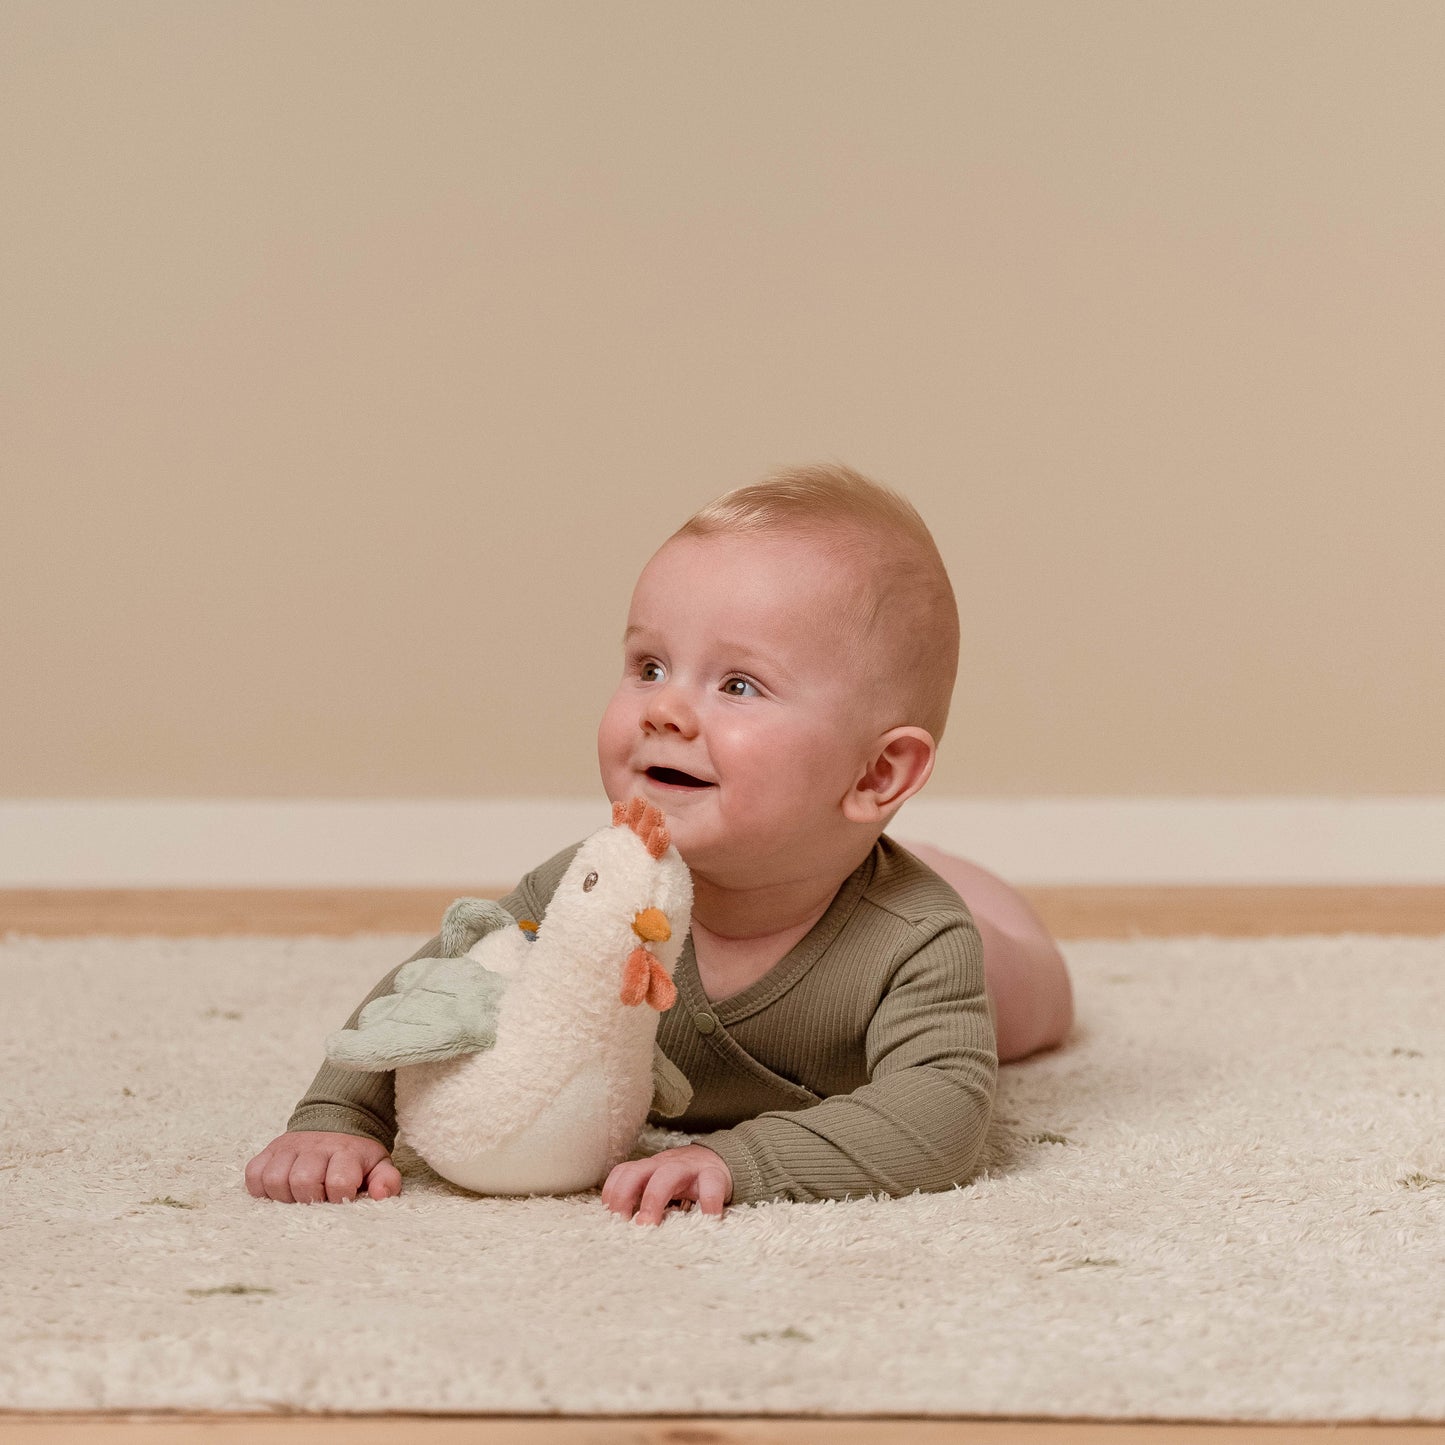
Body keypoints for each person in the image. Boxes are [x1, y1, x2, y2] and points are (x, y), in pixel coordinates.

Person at [245, 463, 1074, 1222]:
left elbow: (941, 1113)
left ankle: (982, 902)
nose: (664, 710)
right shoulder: (590, 888)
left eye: (738, 683)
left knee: (1028, 996)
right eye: (648, 665)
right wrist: (341, 1115)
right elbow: (430, 990)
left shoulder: (917, 937)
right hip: (839, 855)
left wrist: (743, 1158)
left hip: (975, 952)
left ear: (876, 774)